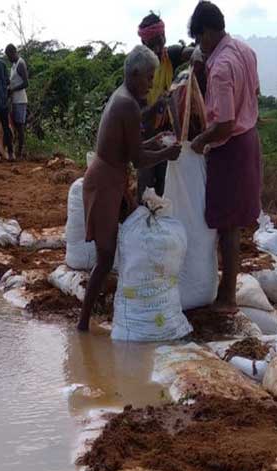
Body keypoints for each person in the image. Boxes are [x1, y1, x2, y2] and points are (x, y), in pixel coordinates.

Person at [77, 45, 182, 332]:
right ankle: (83, 325)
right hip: (105, 183)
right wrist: (166, 154)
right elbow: (137, 159)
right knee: (105, 257)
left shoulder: (122, 98)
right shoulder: (128, 105)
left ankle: (110, 312)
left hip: (110, 178)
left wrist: (157, 140)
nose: (151, 83)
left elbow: (130, 150)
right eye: (149, 77)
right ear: (135, 74)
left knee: (121, 246)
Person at [188, 1, 262, 311]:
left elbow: (225, 124)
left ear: (206, 32)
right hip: (249, 140)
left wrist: (198, 142)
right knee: (233, 221)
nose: (199, 46)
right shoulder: (245, 50)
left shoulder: (219, 68)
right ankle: (225, 287)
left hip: (230, 146)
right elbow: (255, 92)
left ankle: (227, 296)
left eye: (198, 38)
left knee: (228, 224)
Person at [137, 12, 194, 197]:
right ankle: (143, 221)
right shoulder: (137, 67)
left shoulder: (171, 55)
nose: (158, 47)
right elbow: (136, 113)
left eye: (161, 41)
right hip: (145, 132)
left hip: (166, 131)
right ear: (144, 44)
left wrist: (198, 52)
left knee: (163, 181)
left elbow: (190, 54)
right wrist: (157, 106)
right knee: (145, 184)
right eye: (152, 44)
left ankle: (159, 221)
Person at [5, 44, 29, 159]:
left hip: (20, 99)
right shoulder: (13, 66)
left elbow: (26, 83)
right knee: (14, 125)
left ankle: (20, 152)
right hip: (14, 100)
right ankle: (16, 151)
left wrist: (12, 89)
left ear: (13, 52)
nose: (8, 58)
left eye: (8, 55)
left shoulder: (21, 64)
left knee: (20, 126)